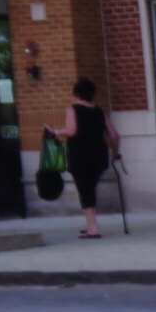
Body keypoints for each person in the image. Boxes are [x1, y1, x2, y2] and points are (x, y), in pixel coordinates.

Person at [51, 77, 118, 239]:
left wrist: (56, 132)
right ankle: (89, 223)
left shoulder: (72, 109)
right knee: (90, 187)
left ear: (76, 93)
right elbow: (114, 135)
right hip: (99, 155)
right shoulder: (100, 111)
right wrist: (116, 153)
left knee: (84, 189)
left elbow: (71, 130)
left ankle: (93, 227)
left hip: (79, 154)